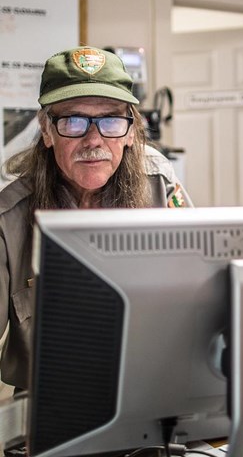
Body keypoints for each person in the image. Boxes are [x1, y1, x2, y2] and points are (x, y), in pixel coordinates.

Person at [0, 46, 193, 392]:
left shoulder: (159, 184)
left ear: (131, 130)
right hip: (47, 404)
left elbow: (201, 296)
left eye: (111, 121)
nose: (94, 140)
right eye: (73, 121)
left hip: (152, 391)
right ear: (47, 130)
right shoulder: (9, 211)